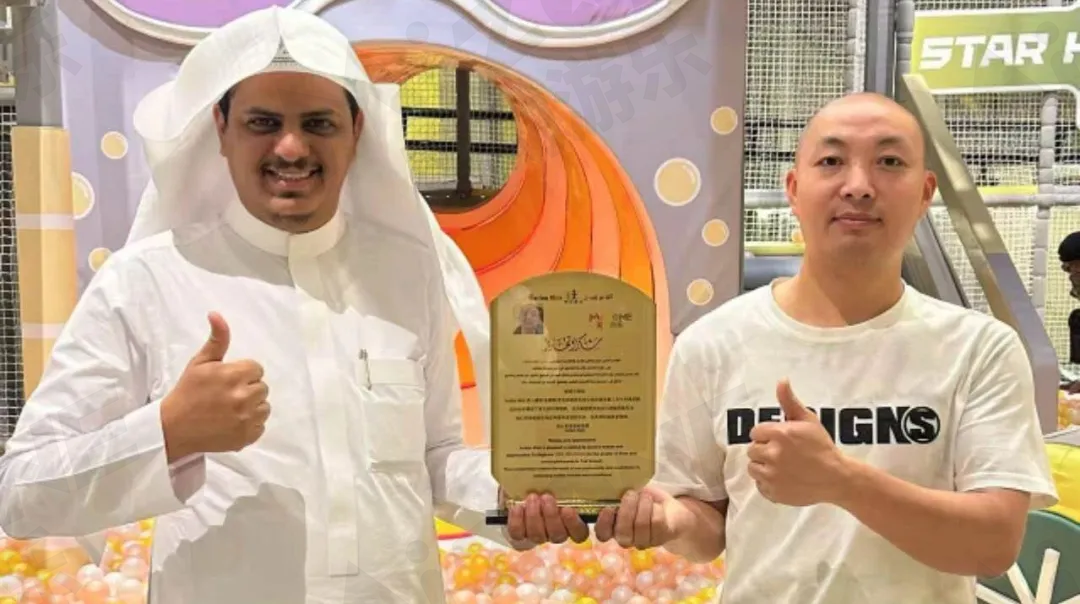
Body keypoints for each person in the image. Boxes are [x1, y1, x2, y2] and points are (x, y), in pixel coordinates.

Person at [0, 8, 561, 603]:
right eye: (263, 123)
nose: (291, 147)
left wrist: (509, 501)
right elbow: (23, 490)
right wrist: (168, 432)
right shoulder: (147, 280)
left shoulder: (409, 270)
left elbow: (434, 457)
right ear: (221, 128)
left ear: (356, 130)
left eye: (318, 123)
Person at [513, 93, 1060, 602]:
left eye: (890, 162)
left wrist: (841, 481)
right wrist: (671, 521)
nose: (859, 185)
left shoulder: (978, 348)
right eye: (832, 162)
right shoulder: (714, 343)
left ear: (925, 193)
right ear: (794, 189)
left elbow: (994, 544)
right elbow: (706, 527)